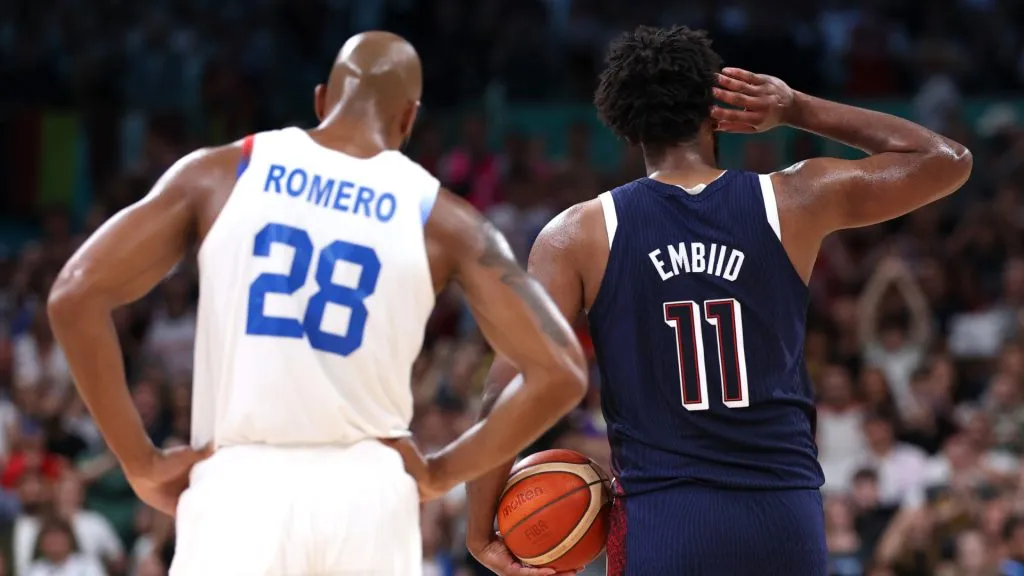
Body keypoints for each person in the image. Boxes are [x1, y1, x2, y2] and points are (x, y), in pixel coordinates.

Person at [46, 31, 587, 576]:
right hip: (368, 497)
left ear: (322, 99)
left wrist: (139, 462)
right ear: (408, 118)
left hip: (238, 489)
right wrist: (440, 473)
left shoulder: (220, 172)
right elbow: (561, 370)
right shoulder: (445, 219)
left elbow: (74, 294)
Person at [466, 25, 972, 576]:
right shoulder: (793, 199)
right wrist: (798, 108)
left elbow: (507, 385)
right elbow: (946, 160)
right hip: (784, 515)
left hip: (665, 519)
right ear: (720, 110)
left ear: (625, 125)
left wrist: (477, 530)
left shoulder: (577, 234)